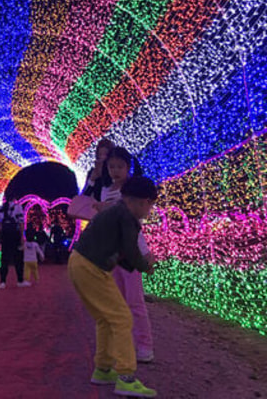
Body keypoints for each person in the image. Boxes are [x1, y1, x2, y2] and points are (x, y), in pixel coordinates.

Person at [68, 176, 158, 398]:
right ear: (142, 201)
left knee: (106, 318)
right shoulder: (126, 216)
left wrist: (138, 264)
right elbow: (130, 249)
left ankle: (103, 368)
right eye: (150, 206)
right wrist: (145, 266)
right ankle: (126, 377)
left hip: (80, 263)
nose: (149, 211)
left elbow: (123, 254)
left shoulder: (117, 212)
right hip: (91, 267)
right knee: (121, 318)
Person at [98, 147, 154, 363]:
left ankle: (144, 345)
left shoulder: (134, 189)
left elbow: (134, 224)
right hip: (113, 253)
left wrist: (146, 253)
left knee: (135, 302)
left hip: (131, 252)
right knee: (116, 302)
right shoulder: (105, 190)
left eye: (120, 166)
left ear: (128, 167)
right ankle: (122, 345)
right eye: (111, 167)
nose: (115, 171)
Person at [0, 196, 29, 288]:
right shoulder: (18, 207)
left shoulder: (0, 209)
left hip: (5, 236)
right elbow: (21, 222)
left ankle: (3, 281)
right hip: (15, 235)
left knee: (4, 258)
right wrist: (22, 236)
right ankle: (20, 280)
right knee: (18, 258)